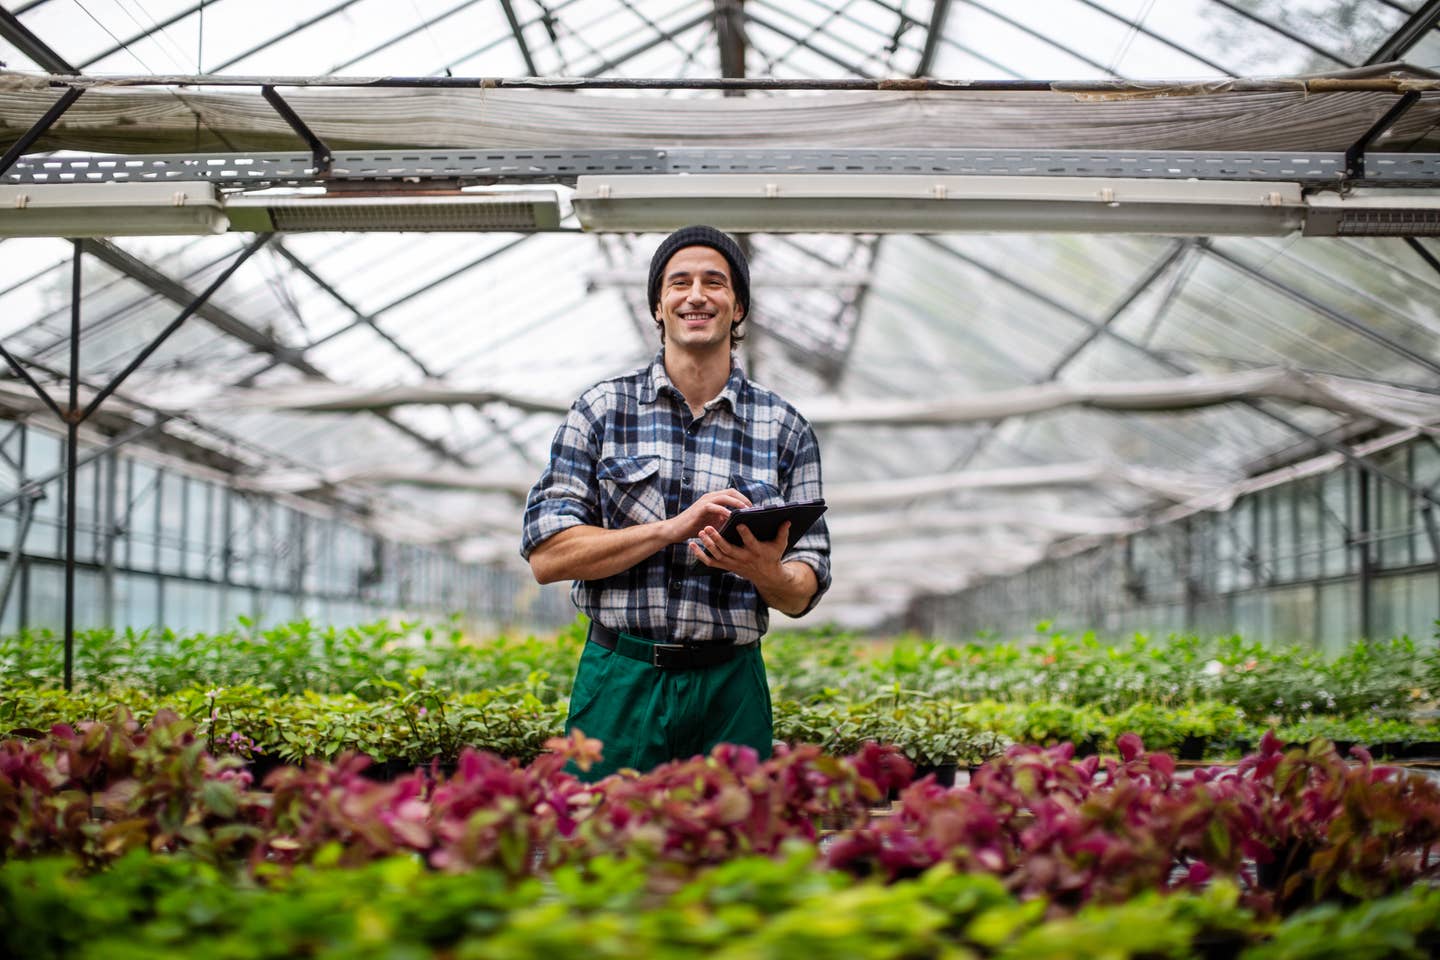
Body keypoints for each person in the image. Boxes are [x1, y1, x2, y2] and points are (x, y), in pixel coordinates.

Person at [520, 225, 831, 780]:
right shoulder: (601, 411)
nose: (696, 295)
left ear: (738, 309)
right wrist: (671, 529)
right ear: (658, 307)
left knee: (735, 852)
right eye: (678, 282)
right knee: (603, 850)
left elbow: (805, 586)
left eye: (715, 282)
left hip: (730, 686)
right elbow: (549, 556)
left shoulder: (785, 428)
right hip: (620, 676)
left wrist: (766, 573)